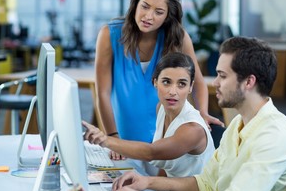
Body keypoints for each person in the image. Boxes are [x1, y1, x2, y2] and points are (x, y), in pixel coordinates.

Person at [108, 36, 286, 191]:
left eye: (223, 76)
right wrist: (148, 183)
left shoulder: (274, 135)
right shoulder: (237, 124)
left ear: (249, 82)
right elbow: (206, 184)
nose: (215, 82)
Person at [94, 0, 223, 162]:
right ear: (136, 3)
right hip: (124, 140)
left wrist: (202, 112)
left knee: (160, 184)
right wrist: (113, 137)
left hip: (166, 141)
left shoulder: (178, 38)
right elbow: (103, 93)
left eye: (159, 12)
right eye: (145, 6)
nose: (148, 16)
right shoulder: (109, 35)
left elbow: (198, 81)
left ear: (167, 16)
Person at [84, 52, 215, 177]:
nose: (172, 91)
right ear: (155, 82)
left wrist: (105, 140)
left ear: (190, 87)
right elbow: (167, 167)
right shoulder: (162, 108)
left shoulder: (192, 129)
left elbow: (152, 152)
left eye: (182, 84)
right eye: (166, 82)